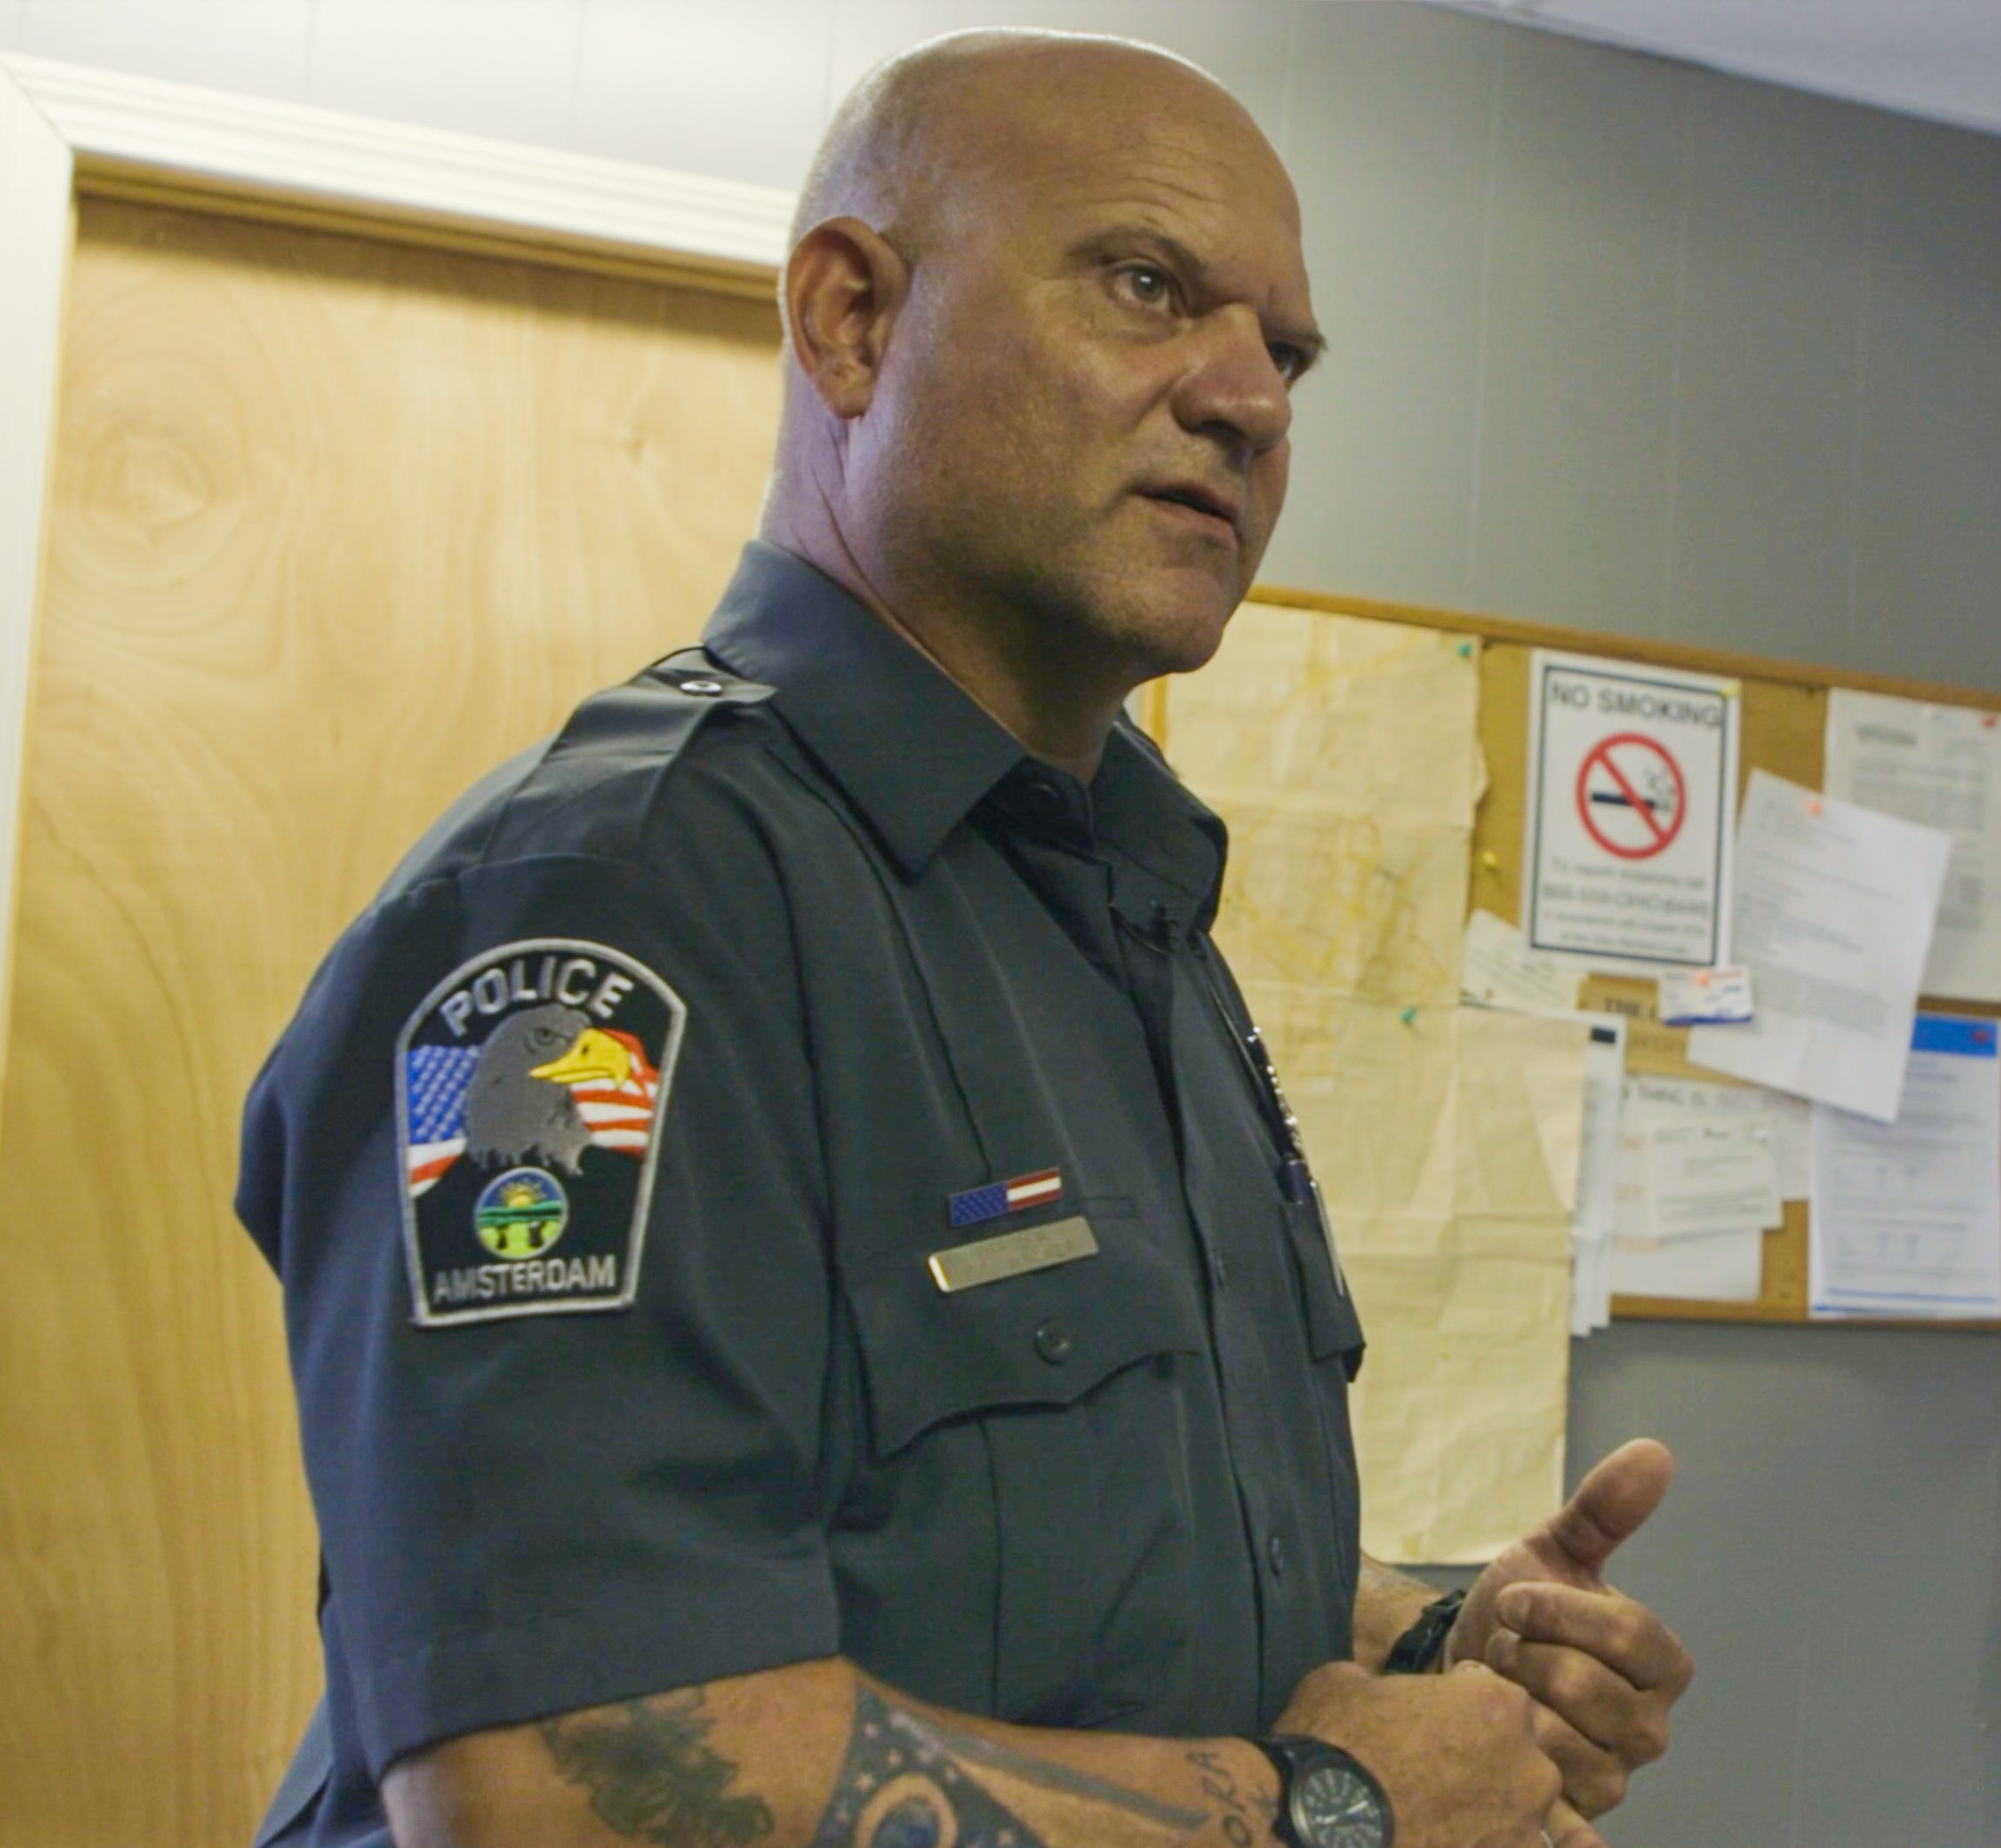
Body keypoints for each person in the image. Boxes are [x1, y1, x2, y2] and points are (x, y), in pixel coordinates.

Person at [238, 28, 1693, 1848]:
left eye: (1288, 351)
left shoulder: (1122, 910)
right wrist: (1330, 1806)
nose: (1250, 398)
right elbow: (560, 1787)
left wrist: (1422, 1633)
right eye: (1148, 288)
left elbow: (1040, 1545)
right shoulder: (596, 910)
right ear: (850, 320)